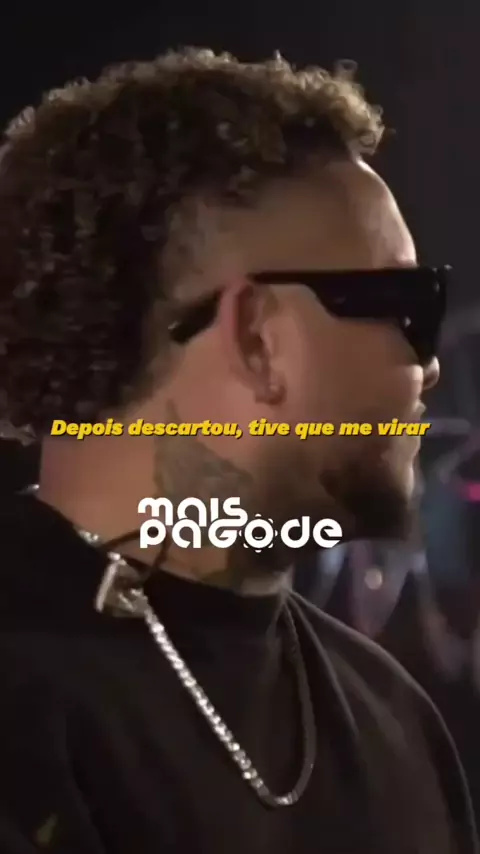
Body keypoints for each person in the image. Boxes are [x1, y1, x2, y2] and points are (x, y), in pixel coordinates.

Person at [0, 48, 475, 854]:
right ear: (258, 338)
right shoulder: (23, 700)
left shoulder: (395, 720)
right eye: (406, 303)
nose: (427, 365)